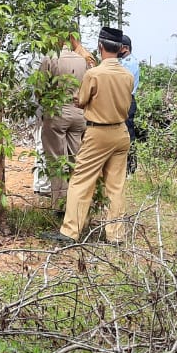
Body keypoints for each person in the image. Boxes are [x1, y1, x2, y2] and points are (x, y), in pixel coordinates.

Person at [44, 27, 135, 245]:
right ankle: (116, 235)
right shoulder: (128, 75)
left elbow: (81, 99)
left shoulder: (94, 74)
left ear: (100, 46)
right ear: (120, 49)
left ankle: (70, 232)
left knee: (80, 181)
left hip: (99, 132)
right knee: (115, 186)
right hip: (121, 133)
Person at [37, 36, 90, 213]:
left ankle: (60, 206)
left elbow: (40, 88)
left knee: (57, 160)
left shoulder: (51, 57)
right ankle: (78, 204)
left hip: (57, 112)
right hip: (79, 113)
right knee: (76, 159)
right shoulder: (83, 59)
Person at [119, 34, 141, 174]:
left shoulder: (130, 63)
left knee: (128, 133)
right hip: (122, 99)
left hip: (127, 99)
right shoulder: (122, 61)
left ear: (125, 48)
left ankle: (131, 166)